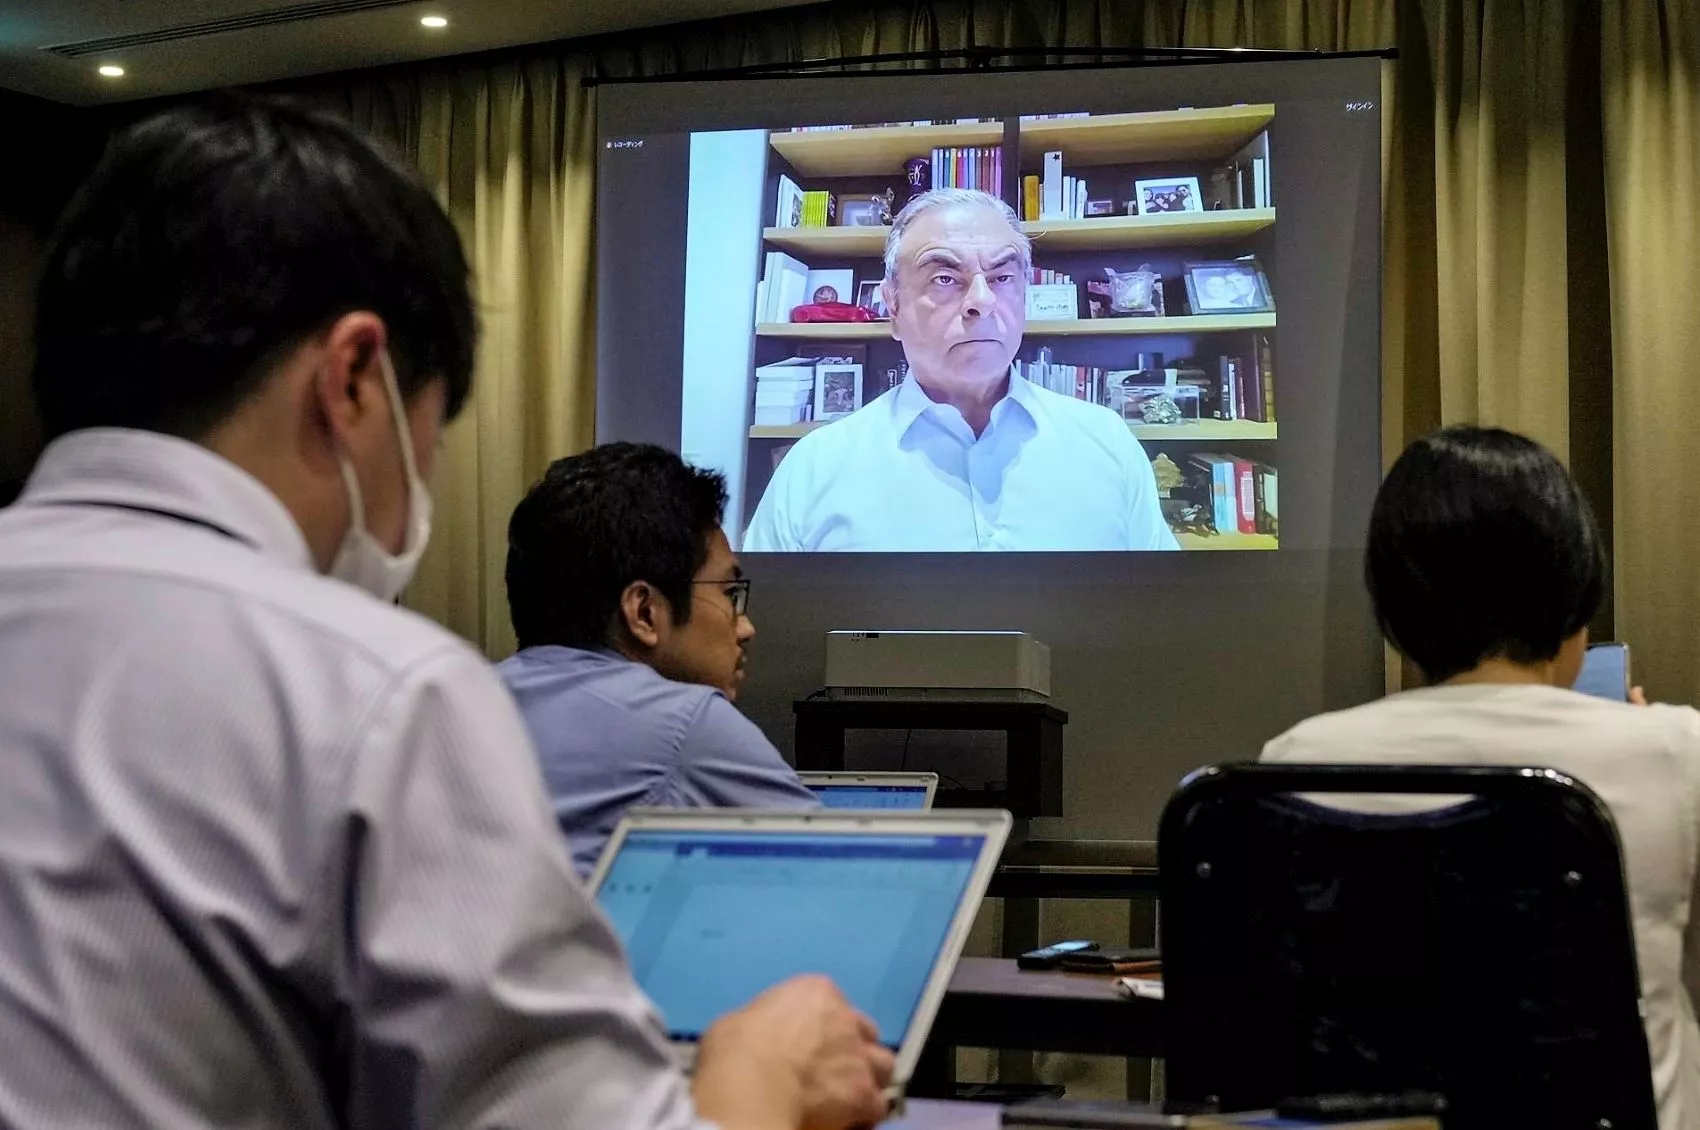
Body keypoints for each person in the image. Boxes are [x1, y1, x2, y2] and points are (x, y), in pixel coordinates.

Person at [0, 95, 891, 1130]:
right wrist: (761, 1069)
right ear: (354, 380)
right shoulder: (376, 693)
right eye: (433, 426)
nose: (424, 469)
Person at [1262, 425, 1700, 1130]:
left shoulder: (1294, 763)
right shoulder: (1676, 750)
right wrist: (1656, 745)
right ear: (1576, 596)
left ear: (1396, 606)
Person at [744, 187, 1178, 552]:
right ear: (892, 306)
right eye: (945, 279)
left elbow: (1156, 616)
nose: (982, 301)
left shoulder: (1106, 442)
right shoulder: (814, 467)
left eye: (1003, 277)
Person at [500, 443, 819, 875]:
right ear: (645, 612)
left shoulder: (466, 699)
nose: (745, 627)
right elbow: (850, 873)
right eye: (729, 595)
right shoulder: (685, 722)